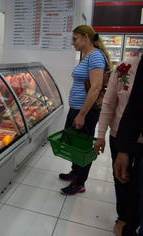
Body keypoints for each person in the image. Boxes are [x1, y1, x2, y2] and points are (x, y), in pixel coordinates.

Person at [58, 25, 111, 195]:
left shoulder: (95, 56)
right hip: (77, 108)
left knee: (83, 146)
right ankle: (75, 172)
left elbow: (95, 88)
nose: (72, 42)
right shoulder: (86, 55)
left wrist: (81, 114)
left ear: (85, 37)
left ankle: (80, 182)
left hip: (86, 111)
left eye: (75, 38)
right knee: (74, 142)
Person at [94, 56, 142, 236]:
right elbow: (108, 105)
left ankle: (135, 219)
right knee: (122, 178)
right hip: (120, 137)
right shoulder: (124, 68)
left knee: (138, 183)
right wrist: (100, 136)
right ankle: (123, 216)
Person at [114, 56, 143, 236]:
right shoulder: (125, 67)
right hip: (124, 136)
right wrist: (122, 149)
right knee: (130, 187)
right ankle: (126, 220)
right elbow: (135, 107)